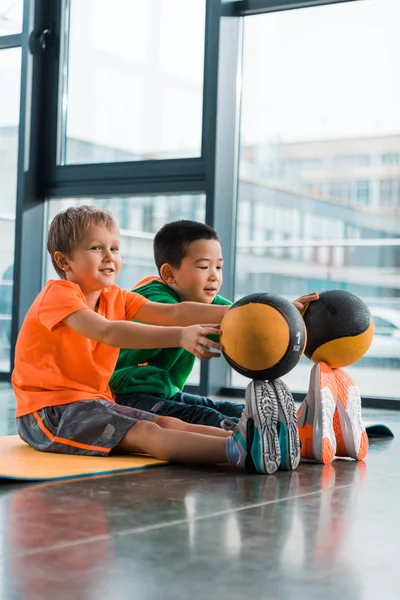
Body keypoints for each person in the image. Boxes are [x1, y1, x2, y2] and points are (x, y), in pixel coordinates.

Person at [12, 205, 289, 475]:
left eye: (115, 248)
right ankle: (237, 451)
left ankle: (259, 443)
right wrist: (181, 336)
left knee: (164, 422)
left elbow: (174, 312)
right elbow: (108, 331)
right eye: (97, 248)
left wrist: (271, 310)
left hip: (93, 402)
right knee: (146, 432)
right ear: (64, 261)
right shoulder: (57, 295)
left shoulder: (116, 296)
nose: (109, 256)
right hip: (48, 414)